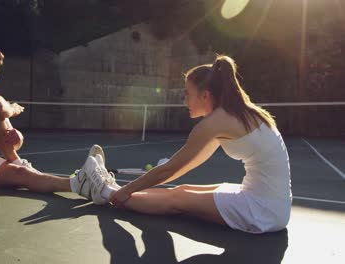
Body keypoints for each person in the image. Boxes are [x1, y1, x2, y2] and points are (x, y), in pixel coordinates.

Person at [78, 55, 292, 234]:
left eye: (187, 94)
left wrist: (126, 191)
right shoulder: (239, 113)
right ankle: (111, 189)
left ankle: (104, 191)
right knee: (182, 190)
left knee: (176, 199)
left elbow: (171, 168)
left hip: (263, 210)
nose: (184, 101)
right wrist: (127, 189)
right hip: (272, 203)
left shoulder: (214, 123)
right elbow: (181, 168)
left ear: (205, 95)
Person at [0, 47, 101, 196]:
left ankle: (78, 183)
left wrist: (17, 138)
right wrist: (13, 108)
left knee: (22, 175)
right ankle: (19, 162)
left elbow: (10, 140)